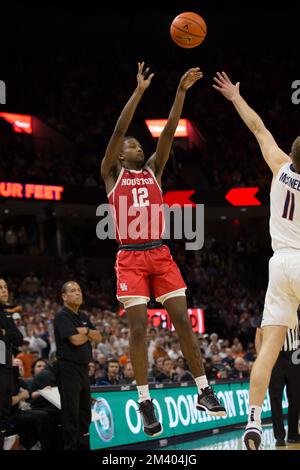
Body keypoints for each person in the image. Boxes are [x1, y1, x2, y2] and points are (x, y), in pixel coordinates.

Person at [100, 62, 226, 437]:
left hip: (160, 254)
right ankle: (144, 400)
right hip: (130, 256)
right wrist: (138, 92)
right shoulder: (112, 172)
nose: (138, 145)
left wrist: (181, 92)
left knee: (184, 322)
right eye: (133, 145)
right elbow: (120, 129)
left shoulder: (154, 170)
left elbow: (170, 131)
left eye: (140, 144)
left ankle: (203, 389)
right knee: (138, 328)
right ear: (121, 156)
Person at [213, 71, 300, 450]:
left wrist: (234, 96)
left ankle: (252, 421)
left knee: (268, 348)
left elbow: (257, 126)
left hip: (278, 264)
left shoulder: (280, 167)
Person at [53, 281, 102, 450]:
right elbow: (75, 340)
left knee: (84, 414)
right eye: (73, 291)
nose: (78, 293)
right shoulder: (62, 316)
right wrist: (88, 334)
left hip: (83, 369)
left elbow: (99, 336)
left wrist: (86, 332)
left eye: (79, 290)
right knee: (71, 414)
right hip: (68, 368)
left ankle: (83, 446)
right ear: (64, 296)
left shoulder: (83, 317)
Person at [255, 314, 300, 447]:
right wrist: (260, 358)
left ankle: (293, 434)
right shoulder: (269, 310)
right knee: (275, 397)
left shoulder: (296, 309)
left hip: (294, 355)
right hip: (274, 356)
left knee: (296, 397)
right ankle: (279, 436)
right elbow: (258, 334)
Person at [0, 278, 23, 449]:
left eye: (5, 287)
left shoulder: (6, 313)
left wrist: (4, 332)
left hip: (6, 365)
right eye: (0, 288)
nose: (4, 290)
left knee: (5, 406)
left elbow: (19, 339)